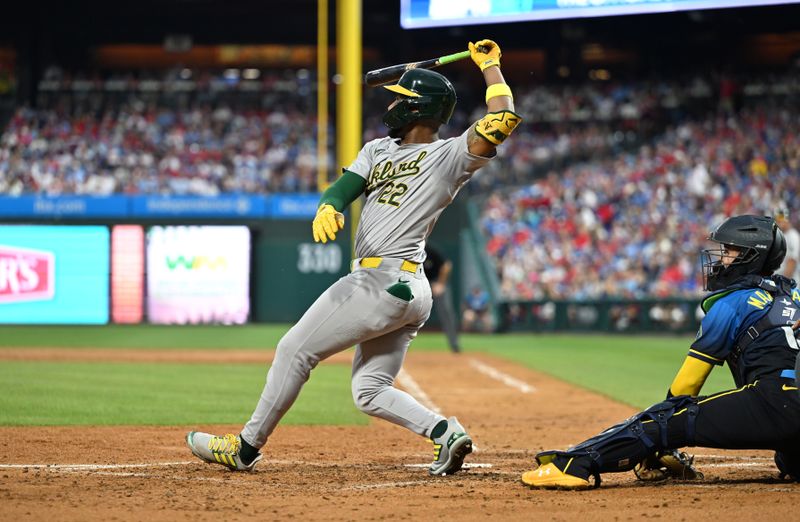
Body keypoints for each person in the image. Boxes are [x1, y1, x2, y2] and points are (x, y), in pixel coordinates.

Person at [186, 39, 521, 475]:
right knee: (369, 389)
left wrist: (490, 67)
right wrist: (329, 206)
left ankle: (246, 447)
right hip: (405, 289)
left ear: (419, 109)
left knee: (293, 351)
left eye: (402, 100)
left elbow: (502, 120)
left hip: (382, 282)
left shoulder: (448, 156)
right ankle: (446, 433)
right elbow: (344, 188)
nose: (391, 107)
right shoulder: (377, 149)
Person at [521, 215, 800, 489]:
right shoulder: (793, 295)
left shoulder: (732, 303)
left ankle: (575, 465)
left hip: (776, 403)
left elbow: (686, 386)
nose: (720, 259)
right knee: (790, 459)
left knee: (664, 418)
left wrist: (665, 440)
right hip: (790, 409)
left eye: (728, 251)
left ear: (751, 256)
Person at [424, 244, 461, 353]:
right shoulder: (411, 251)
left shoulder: (430, 250)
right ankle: (403, 347)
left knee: (446, 313)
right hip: (420, 283)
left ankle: (454, 344)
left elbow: (447, 265)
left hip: (436, 283)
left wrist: (441, 283)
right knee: (409, 313)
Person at [776, 206, 800, 283]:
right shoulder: (781, 235)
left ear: (788, 220)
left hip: (789, 283)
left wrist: (783, 284)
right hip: (780, 279)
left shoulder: (793, 236)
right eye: (778, 220)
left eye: (781, 219)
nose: (779, 222)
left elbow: (792, 262)